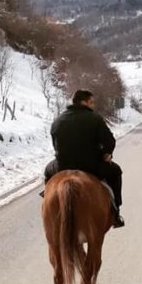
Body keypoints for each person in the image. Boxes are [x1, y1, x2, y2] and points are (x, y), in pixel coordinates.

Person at [42, 89, 125, 228]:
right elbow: (109, 141)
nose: (93, 105)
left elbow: (55, 145)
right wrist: (107, 153)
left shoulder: (58, 121)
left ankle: (48, 205)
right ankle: (116, 213)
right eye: (91, 102)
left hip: (62, 166)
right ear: (83, 102)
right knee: (116, 171)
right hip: (91, 166)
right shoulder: (94, 119)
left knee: (47, 172)